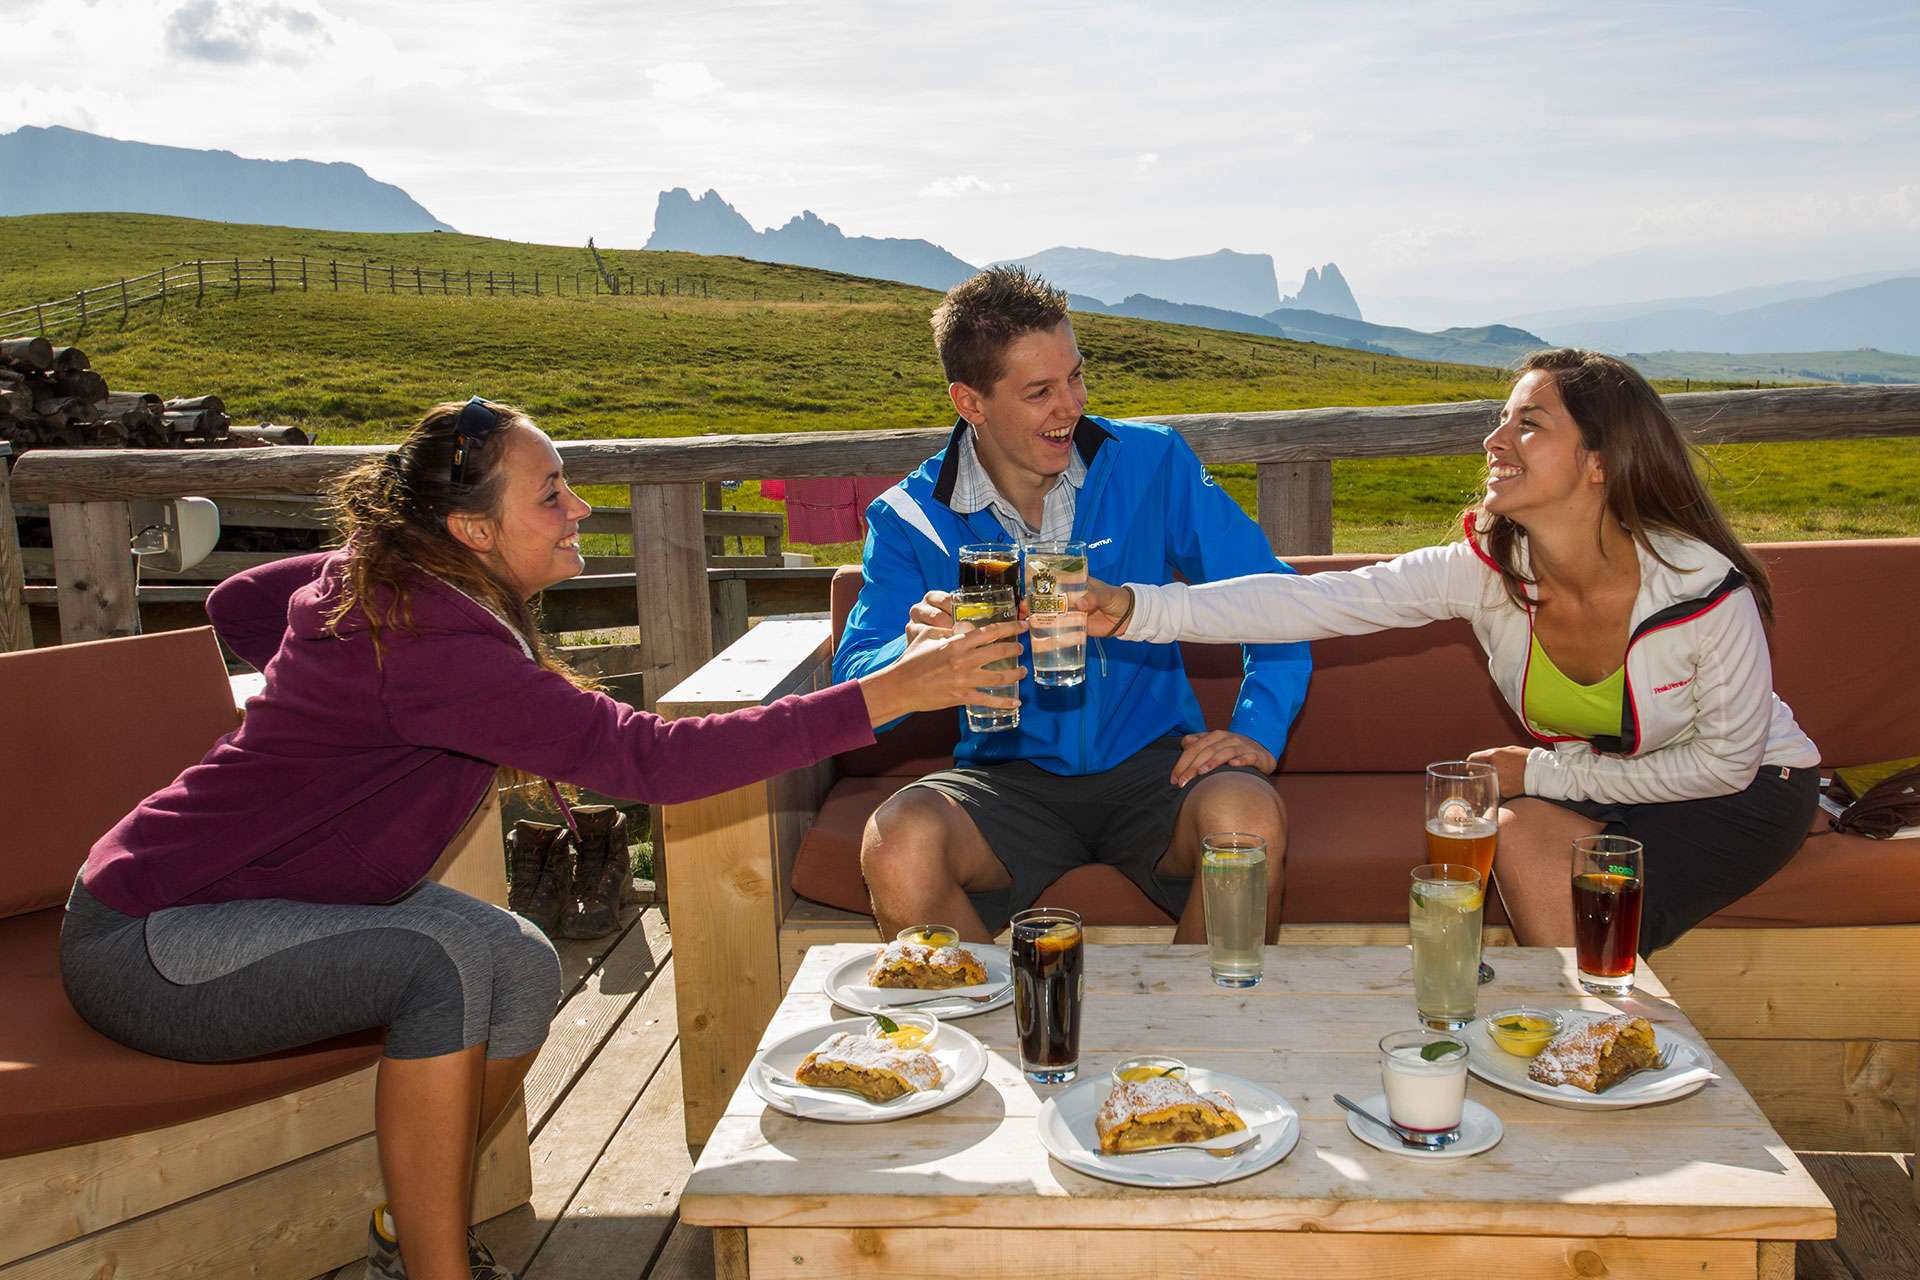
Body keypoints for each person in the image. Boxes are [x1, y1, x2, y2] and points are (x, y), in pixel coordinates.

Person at [59, 397, 1025, 1280]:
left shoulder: (396, 585)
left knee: (519, 960)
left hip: (267, 900)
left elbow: (240, 602)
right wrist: (888, 693)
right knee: (435, 970)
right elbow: (652, 761)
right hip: (154, 934)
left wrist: (333, 724)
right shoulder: (423, 636)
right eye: (552, 493)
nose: (579, 509)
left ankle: (409, 1219)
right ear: (473, 531)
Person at [1081, 348, 1821, 955]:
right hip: (1610, 780)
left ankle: (1600, 1026)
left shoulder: (1701, 590)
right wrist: (1135, 608)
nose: (1495, 441)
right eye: (1501, 420)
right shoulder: (1484, 572)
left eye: (1529, 425)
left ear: (1601, 461)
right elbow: (1312, 602)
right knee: (1518, 836)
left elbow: (1725, 764)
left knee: (1569, 872)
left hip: (1741, 792)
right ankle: (1588, 1022)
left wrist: (1538, 771)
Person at [834, 267, 1311, 945]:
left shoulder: (1152, 461)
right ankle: (987, 1016)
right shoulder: (909, 517)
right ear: (970, 402)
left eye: (1076, 377)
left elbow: (1271, 596)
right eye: (1040, 392)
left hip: (1159, 764)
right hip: (1000, 777)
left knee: (1248, 821)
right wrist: (911, 655)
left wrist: (1258, 727)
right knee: (896, 843)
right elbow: (851, 679)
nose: (1071, 406)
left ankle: (1202, 1015)